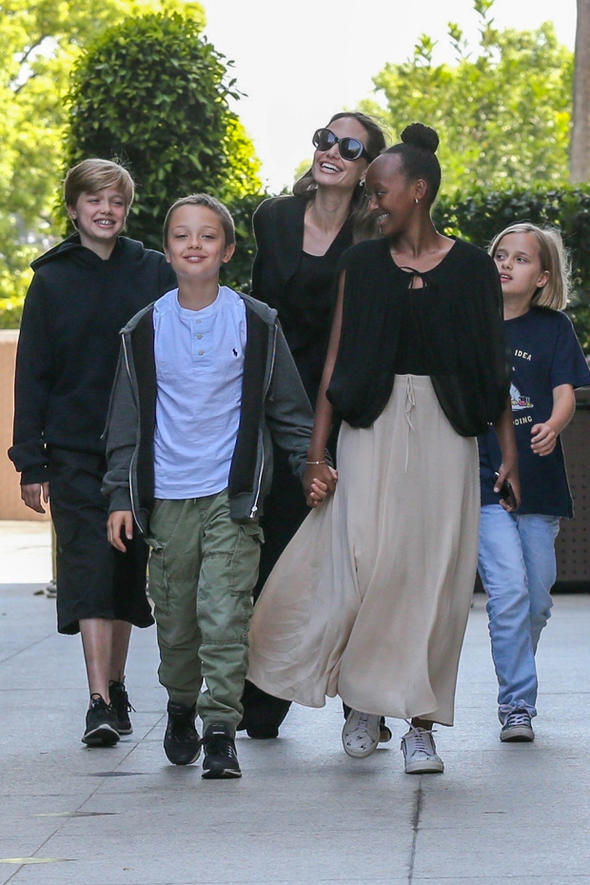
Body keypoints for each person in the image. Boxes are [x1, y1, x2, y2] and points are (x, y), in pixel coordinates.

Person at [247, 123, 519, 775]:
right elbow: (336, 358)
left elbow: (493, 363)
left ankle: (421, 727)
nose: (372, 202)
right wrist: (317, 453)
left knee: (434, 578)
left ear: (418, 191)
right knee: (362, 565)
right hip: (369, 423)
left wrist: (507, 452)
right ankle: (365, 701)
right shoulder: (362, 263)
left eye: (380, 190)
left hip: (449, 432)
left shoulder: (471, 267)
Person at [103, 194, 326, 779]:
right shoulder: (143, 329)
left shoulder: (256, 321)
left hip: (234, 496)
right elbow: (125, 423)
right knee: (178, 622)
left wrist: (310, 465)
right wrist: (122, 496)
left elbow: (289, 410)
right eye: (182, 235)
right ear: (167, 249)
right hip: (167, 498)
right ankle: (181, 704)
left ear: (227, 250)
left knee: (225, 614)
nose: (194, 245)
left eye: (207, 236)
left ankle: (221, 727)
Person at [8, 159, 176, 747]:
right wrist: (31, 461)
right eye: (94, 200)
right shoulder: (51, 279)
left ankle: (118, 685)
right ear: (74, 208)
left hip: (140, 450)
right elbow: (32, 373)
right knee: (88, 569)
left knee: (124, 571)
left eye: (117, 201)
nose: (106, 210)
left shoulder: (153, 271)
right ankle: (99, 700)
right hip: (74, 450)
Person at [240, 111, 387, 740]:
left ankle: (363, 703)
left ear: (368, 168)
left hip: (347, 406)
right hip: (275, 406)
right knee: (275, 551)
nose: (332, 151)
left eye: (350, 147)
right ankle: (262, 699)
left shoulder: (375, 235)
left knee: (349, 557)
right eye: (326, 139)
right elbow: (254, 311)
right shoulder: (273, 218)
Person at [477, 223, 590, 743]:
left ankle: (517, 669)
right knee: (508, 594)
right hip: (484, 481)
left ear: (543, 277)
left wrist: (554, 425)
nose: (505, 264)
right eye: (500, 255)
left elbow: (565, 391)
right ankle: (517, 704)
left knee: (536, 602)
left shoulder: (553, 327)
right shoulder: (472, 321)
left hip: (540, 483)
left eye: (520, 259)